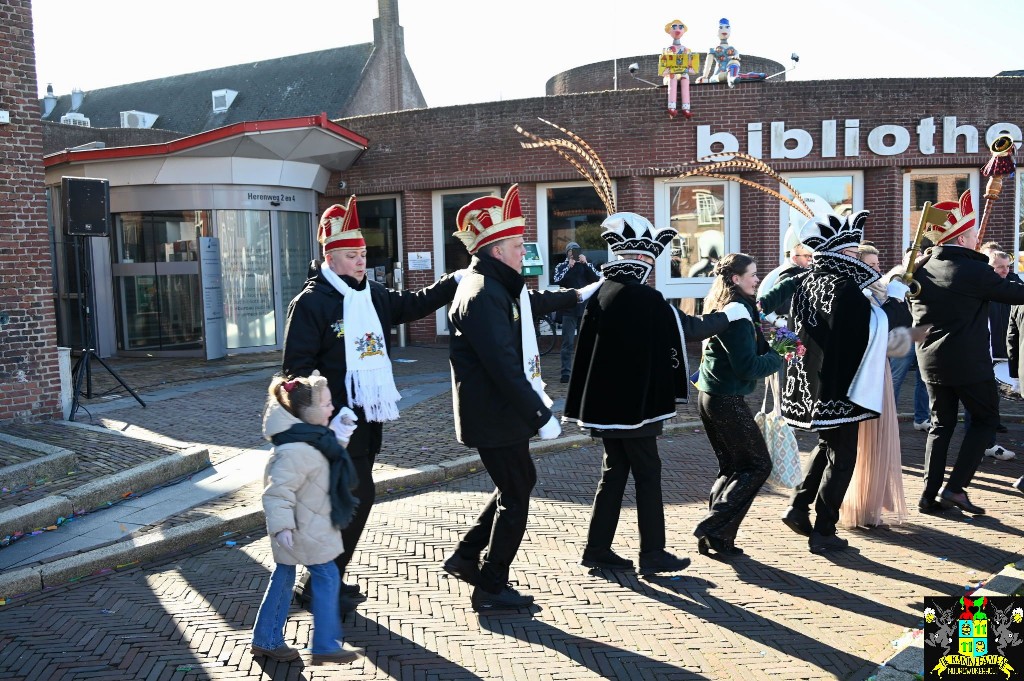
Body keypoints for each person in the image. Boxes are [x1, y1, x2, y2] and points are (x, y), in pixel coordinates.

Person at [282, 197, 462, 609]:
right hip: (334, 424)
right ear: (330, 256)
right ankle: (321, 584)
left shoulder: (373, 295)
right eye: (352, 255)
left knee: (347, 500)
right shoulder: (311, 304)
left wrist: (454, 279)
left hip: (367, 415)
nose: (361, 262)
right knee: (355, 497)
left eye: (363, 254)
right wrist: (324, 415)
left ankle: (327, 578)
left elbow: (413, 304)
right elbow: (295, 372)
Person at [565, 213, 751, 573]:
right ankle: (652, 552)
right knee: (648, 473)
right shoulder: (644, 297)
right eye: (648, 263)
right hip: (635, 407)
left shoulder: (602, 292)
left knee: (614, 473)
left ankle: (597, 548)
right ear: (640, 261)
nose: (650, 269)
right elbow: (689, 328)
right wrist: (730, 315)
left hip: (605, 406)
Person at [443, 185, 595, 611]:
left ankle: (467, 556)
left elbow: (531, 303)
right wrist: (539, 412)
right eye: (516, 246)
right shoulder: (483, 293)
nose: (523, 253)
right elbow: (502, 365)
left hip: (498, 412)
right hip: (495, 412)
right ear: (494, 250)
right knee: (517, 491)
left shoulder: (497, 286)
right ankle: (491, 584)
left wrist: (579, 294)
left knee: (518, 483)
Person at [764, 211, 911, 553]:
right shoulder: (845, 287)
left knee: (827, 447)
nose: (857, 257)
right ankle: (824, 529)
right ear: (841, 253)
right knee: (843, 456)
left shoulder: (805, 282)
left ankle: (798, 507)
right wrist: (895, 303)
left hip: (811, 383)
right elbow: (868, 333)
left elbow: (795, 331)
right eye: (852, 252)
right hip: (841, 386)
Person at [911, 190, 1024, 516]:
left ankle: (929, 495)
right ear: (962, 236)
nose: (978, 237)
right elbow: (1015, 294)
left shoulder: (922, 267)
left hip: (930, 360)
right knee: (986, 420)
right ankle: (956, 488)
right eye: (974, 233)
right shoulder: (973, 271)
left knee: (940, 425)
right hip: (967, 362)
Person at [252, 373, 362, 666]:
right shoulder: (294, 449)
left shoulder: (310, 437)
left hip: (307, 527)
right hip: (302, 530)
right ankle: (325, 644)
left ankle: (266, 639)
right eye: (326, 404)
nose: (331, 408)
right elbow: (277, 493)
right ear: (307, 411)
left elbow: (320, 466)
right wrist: (282, 527)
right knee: (327, 577)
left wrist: (340, 434)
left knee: (283, 579)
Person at [694, 253, 782, 557]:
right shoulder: (738, 314)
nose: (757, 279)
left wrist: (764, 335)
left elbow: (760, 311)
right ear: (736, 279)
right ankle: (712, 526)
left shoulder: (732, 306)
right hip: (725, 400)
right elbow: (747, 367)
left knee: (733, 466)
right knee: (758, 465)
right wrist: (778, 355)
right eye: (753, 275)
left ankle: (716, 538)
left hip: (711, 397)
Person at [838, 244, 922, 529]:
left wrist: (895, 301)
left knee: (882, 435)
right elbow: (873, 331)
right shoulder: (859, 295)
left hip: (880, 368)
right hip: (866, 373)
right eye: (870, 264)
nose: (876, 270)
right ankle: (858, 502)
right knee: (865, 439)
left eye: (877, 264)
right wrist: (893, 304)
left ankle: (874, 498)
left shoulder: (876, 291)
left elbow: (900, 330)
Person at [888, 246, 933, 433]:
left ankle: (922, 418)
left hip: (922, 335)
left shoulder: (928, 278)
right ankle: (888, 418)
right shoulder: (898, 275)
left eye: (920, 257)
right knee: (895, 378)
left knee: (923, 380)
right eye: (913, 258)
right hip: (904, 335)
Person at [551, 241, 600, 383]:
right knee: (567, 343)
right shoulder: (562, 266)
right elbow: (557, 280)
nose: (573, 254)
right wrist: (569, 266)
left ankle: (584, 371)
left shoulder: (586, 264)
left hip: (585, 309)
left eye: (576, 251)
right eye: (571, 251)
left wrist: (585, 264)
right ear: (567, 253)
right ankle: (566, 372)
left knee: (585, 341)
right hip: (568, 310)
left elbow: (597, 279)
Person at [756, 238, 812, 320]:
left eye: (811, 256)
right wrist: (806, 304)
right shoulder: (787, 276)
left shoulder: (813, 275)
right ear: (795, 259)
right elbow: (780, 306)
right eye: (806, 256)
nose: (810, 259)